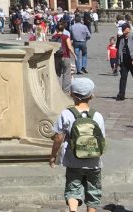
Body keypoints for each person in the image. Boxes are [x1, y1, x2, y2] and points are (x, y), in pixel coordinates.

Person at [49, 78, 105, 212]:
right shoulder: (97, 116)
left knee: (73, 189)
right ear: (92, 96)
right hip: (94, 162)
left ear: (71, 94)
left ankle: (73, 210)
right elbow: (102, 139)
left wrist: (53, 155)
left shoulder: (66, 114)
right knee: (93, 192)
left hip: (73, 160)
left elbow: (58, 137)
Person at [53, 20, 75, 94]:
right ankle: (65, 90)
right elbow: (69, 47)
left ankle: (56, 88)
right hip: (65, 56)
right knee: (66, 73)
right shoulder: (66, 37)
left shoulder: (54, 37)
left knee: (56, 73)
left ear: (56, 29)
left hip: (56, 57)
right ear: (64, 29)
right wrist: (74, 55)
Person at [117, 22, 133, 101]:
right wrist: (118, 62)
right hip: (124, 61)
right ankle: (121, 94)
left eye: (127, 31)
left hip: (132, 61)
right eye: (124, 31)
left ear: (129, 30)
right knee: (123, 78)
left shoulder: (132, 37)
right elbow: (118, 49)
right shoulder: (120, 38)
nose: (125, 33)